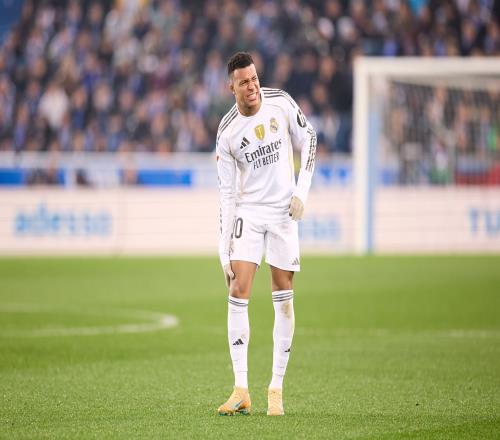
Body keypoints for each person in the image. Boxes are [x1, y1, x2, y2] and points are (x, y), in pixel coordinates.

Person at [216, 52, 316, 416]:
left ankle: (276, 387)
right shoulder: (227, 132)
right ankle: (241, 389)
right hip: (249, 212)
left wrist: (301, 191)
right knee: (237, 288)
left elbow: (310, 138)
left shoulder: (281, 102)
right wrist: (222, 247)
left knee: (283, 296)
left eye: (254, 79)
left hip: (282, 213)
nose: (252, 86)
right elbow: (227, 193)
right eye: (244, 82)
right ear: (232, 88)